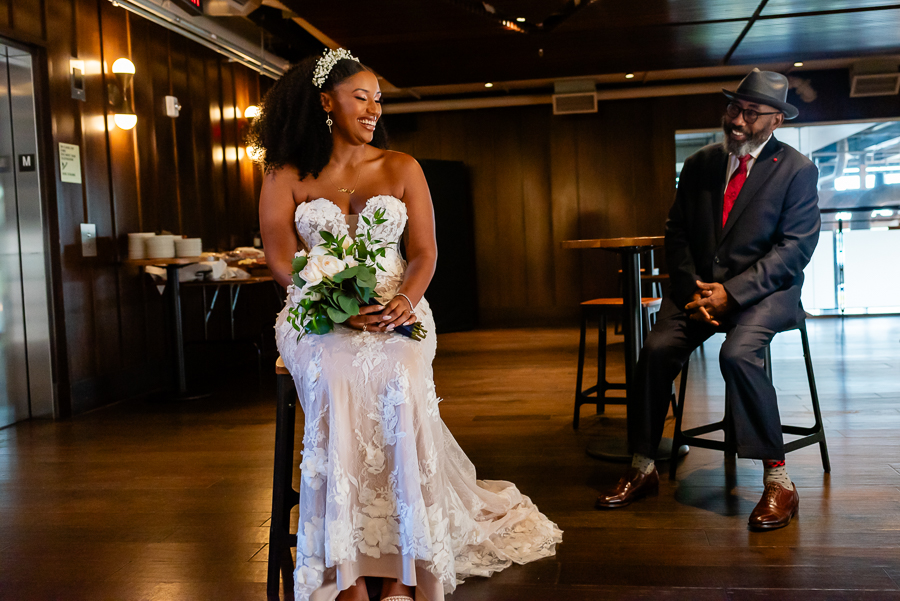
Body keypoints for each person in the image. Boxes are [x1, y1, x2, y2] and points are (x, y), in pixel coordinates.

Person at [252, 49, 562, 601]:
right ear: (326, 102)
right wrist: (329, 299)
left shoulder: (402, 166)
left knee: (399, 376)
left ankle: (402, 571)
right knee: (337, 377)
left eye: (378, 100)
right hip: (314, 309)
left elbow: (424, 253)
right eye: (361, 97)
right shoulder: (285, 173)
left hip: (398, 304)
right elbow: (280, 259)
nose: (373, 109)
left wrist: (406, 303)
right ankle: (342, 572)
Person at [595, 69, 820, 531]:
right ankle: (643, 466)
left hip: (765, 294)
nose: (737, 120)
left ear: (775, 120)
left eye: (751, 113)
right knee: (654, 352)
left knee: (738, 355)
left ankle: (780, 482)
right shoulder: (699, 164)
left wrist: (732, 294)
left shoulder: (797, 169)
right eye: (733, 108)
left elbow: (795, 248)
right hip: (698, 292)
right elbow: (676, 231)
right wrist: (692, 286)